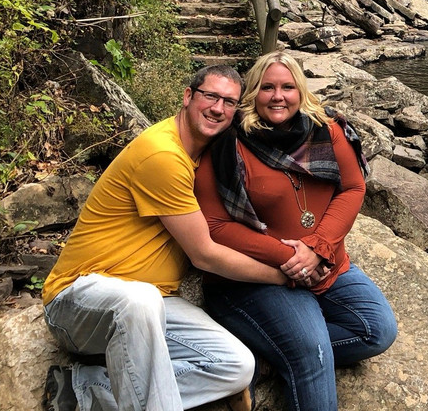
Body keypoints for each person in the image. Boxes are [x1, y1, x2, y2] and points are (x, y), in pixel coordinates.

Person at [42, 64, 291, 411]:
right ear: (188, 96)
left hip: (156, 303)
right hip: (80, 300)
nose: (218, 108)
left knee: (236, 365)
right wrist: (282, 276)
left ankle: (84, 387)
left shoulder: (206, 156)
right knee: (138, 301)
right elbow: (204, 254)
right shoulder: (163, 154)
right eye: (210, 96)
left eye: (229, 102)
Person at [194, 51, 396, 411]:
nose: (278, 96)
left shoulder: (328, 129)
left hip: (325, 264)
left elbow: (352, 188)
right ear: (252, 92)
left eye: (288, 87)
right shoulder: (228, 143)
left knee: (377, 331)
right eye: (267, 87)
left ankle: (266, 354)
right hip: (255, 278)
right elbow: (215, 226)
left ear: (301, 91)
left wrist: (318, 247)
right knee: (310, 351)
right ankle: (297, 353)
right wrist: (292, 258)